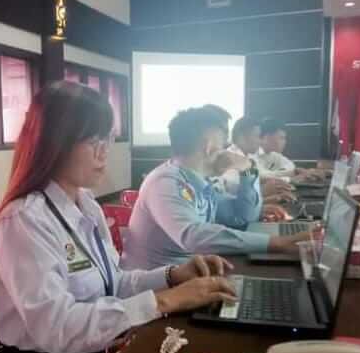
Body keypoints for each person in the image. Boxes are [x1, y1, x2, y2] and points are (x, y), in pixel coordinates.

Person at [0, 82, 237, 353]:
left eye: (107, 140)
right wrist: (166, 301)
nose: (104, 152)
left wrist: (173, 276)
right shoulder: (24, 220)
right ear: (56, 143)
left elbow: (113, 283)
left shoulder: (86, 205)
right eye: (93, 141)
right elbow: (58, 327)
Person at [122, 106, 310, 270]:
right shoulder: (165, 182)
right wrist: (276, 243)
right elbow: (193, 237)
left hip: (188, 276)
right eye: (222, 145)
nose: (225, 151)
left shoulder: (200, 182)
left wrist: (247, 171)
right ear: (209, 146)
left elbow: (242, 217)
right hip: (156, 290)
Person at [228, 117, 295, 204]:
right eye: (257, 136)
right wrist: (264, 191)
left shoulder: (249, 156)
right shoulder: (232, 158)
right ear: (242, 137)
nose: (260, 142)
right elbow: (237, 201)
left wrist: (271, 197)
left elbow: (260, 177)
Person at [258, 118, 324, 182]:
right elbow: (262, 176)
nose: (285, 142)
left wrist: (298, 171)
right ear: (267, 137)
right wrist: (291, 177)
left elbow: (291, 166)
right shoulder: (253, 152)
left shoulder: (274, 154)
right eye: (281, 138)